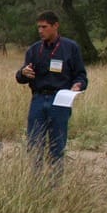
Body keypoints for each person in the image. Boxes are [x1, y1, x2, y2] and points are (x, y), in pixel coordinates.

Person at [15, 10, 88, 179]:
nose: (40, 31)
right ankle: (35, 182)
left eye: (44, 27)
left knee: (57, 144)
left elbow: (81, 75)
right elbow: (21, 78)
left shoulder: (70, 48)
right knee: (34, 143)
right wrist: (23, 73)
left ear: (56, 26)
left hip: (60, 100)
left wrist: (78, 85)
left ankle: (54, 183)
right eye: (39, 27)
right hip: (38, 100)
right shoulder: (34, 50)